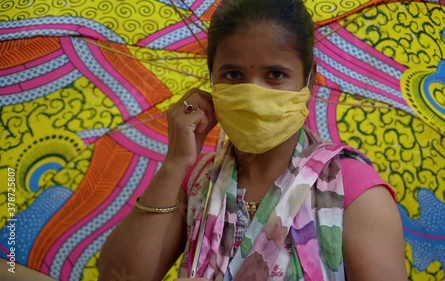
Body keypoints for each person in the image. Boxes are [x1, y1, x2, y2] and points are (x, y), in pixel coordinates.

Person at [98, 0, 407, 280]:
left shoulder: (351, 189)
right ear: (211, 79)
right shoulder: (198, 182)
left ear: (309, 78)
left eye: (275, 74)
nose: (253, 95)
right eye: (233, 75)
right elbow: (119, 276)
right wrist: (175, 163)